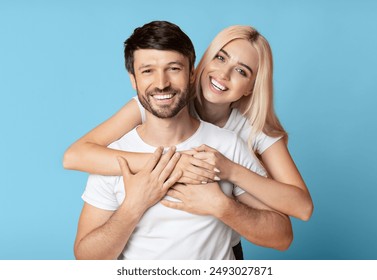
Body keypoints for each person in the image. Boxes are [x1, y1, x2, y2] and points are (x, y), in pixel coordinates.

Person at [72, 20, 292, 260]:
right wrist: (133, 206)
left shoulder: (227, 146)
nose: (161, 83)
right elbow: (86, 259)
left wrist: (223, 206)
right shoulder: (115, 159)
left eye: (174, 68)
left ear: (192, 74)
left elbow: (283, 237)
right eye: (148, 71)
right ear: (133, 80)